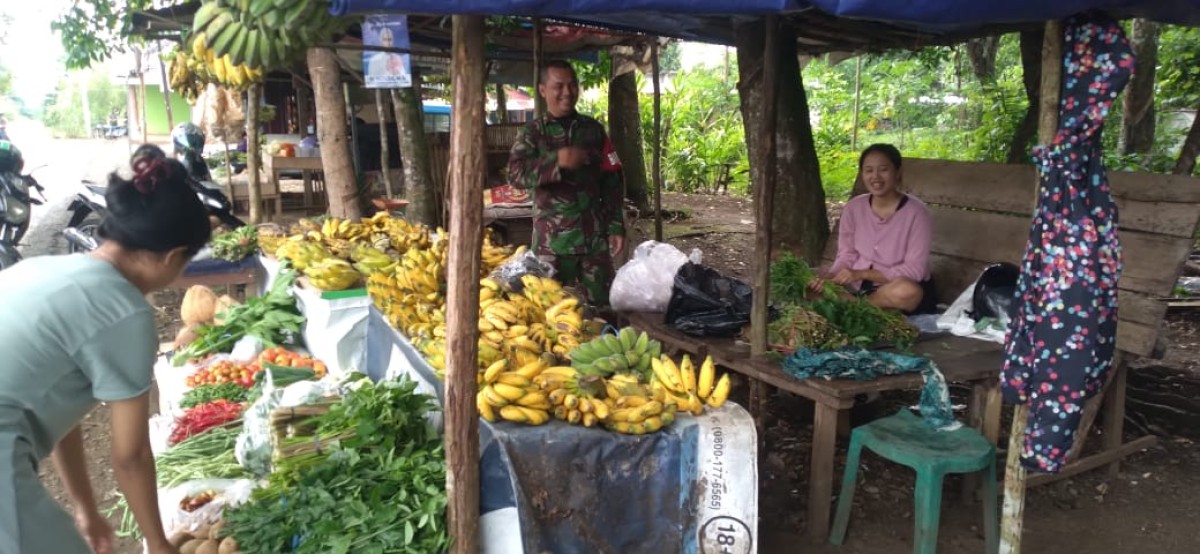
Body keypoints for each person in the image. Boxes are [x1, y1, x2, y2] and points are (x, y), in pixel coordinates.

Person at [0, 152, 213, 554]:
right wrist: (157, 542)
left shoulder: (47, 269)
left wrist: (85, 508)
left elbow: (63, 412)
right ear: (172, 256)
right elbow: (130, 456)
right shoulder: (124, 311)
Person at [507, 60, 625, 305]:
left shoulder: (593, 130)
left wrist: (615, 226)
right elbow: (515, 175)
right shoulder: (532, 133)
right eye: (558, 86)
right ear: (542, 90)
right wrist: (555, 162)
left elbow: (612, 178)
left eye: (572, 85)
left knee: (606, 309)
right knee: (547, 313)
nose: (567, 92)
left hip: (594, 240)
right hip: (551, 245)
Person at [810, 143, 936, 314]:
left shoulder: (917, 213)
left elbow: (914, 270)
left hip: (896, 288)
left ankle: (855, 306)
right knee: (811, 288)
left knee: (906, 291)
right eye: (868, 170)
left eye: (883, 169)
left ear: (897, 172)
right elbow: (847, 255)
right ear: (862, 174)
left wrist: (862, 274)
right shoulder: (853, 208)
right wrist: (832, 278)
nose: (875, 176)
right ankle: (862, 306)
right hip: (857, 289)